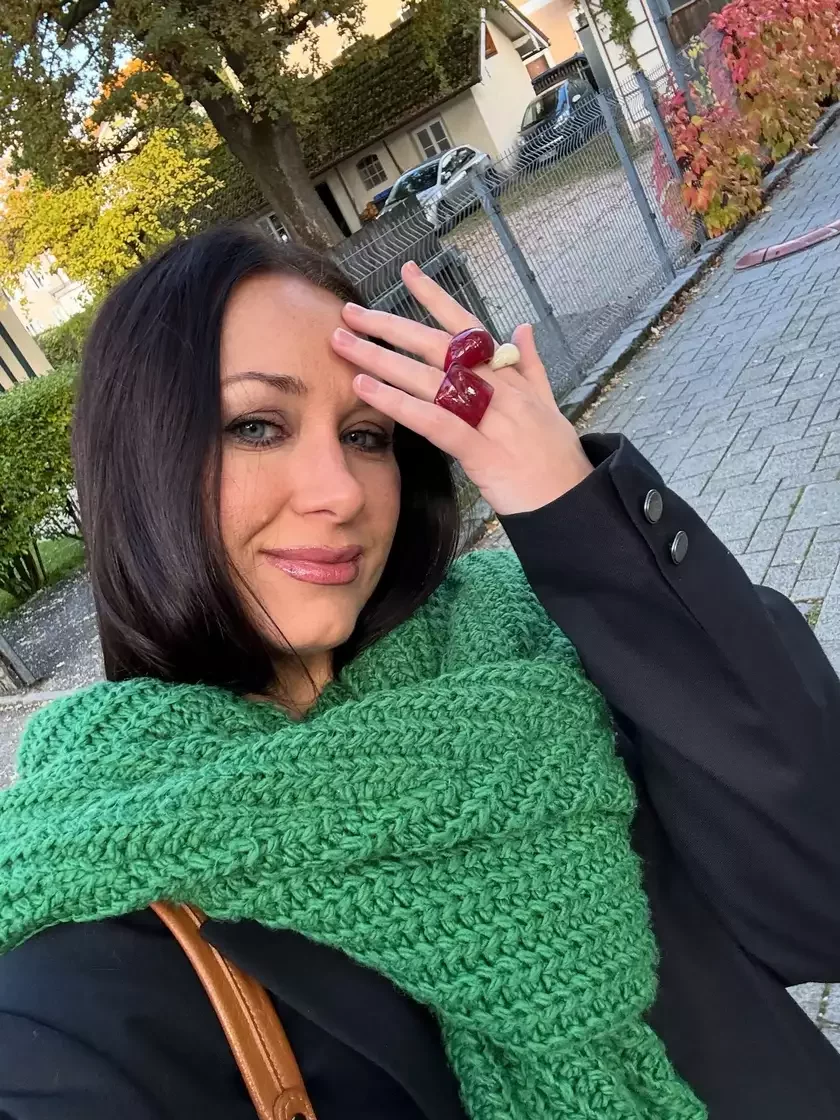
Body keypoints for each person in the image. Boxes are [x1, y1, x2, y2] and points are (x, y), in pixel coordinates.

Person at [0, 225, 839, 1120]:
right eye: (256, 426)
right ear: (138, 463)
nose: (342, 492)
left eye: (366, 435)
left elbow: (819, 895)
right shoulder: (94, 897)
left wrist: (577, 514)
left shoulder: (545, 643)